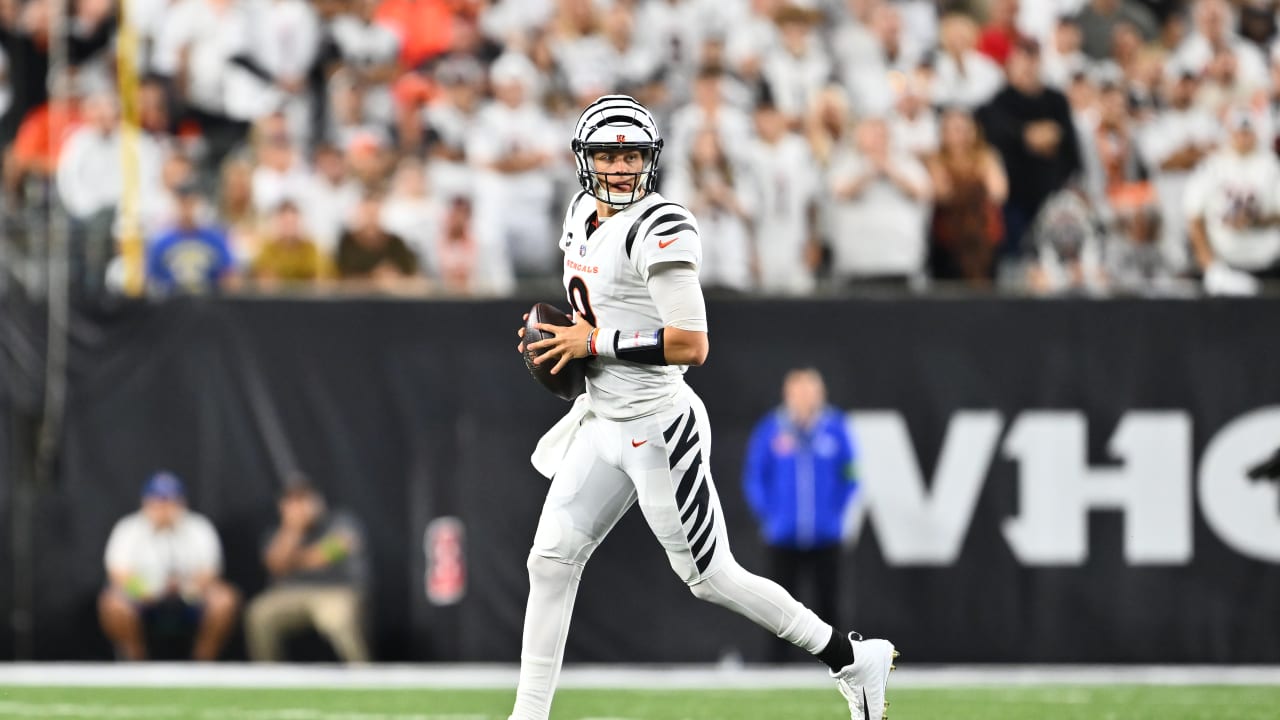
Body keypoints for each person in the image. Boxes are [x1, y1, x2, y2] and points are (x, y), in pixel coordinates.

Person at [513, 94, 896, 720]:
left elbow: (692, 343)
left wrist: (594, 341)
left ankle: (851, 659)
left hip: (656, 426)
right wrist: (567, 346)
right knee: (550, 560)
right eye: (607, 153)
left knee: (710, 576)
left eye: (631, 154)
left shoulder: (658, 225)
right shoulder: (581, 211)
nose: (618, 167)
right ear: (585, 160)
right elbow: (596, 312)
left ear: (650, 159)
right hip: (600, 419)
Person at [743, 368, 860, 663]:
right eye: (799, 392)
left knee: (829, 604)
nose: (805, 399)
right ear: (788, 395)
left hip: (826, 535)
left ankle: (838, 665)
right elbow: (755, 477)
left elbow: (851, 473)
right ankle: (776, 666)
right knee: (778, 607)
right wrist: (771, 515)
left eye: (811, 392)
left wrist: (836, 512)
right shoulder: (771, 430)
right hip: (783, 536)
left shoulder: (835, 429)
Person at [98, 472, 240, 661]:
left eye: (170, 501)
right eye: (158, 501)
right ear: (146, 502)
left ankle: (204, 663)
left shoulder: (199, 527)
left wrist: (187, 589)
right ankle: (133, 662)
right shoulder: (128, 528)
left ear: (182, 503)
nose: (163, 508)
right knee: (114, 602)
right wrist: (145, 590)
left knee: (224, 599)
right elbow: (118, 574)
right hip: (144, 597)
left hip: (189, 597)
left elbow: (210, 571)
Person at [245, 479, 370, 664]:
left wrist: (293, 561)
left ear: (317, 501)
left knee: (338, 618)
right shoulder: (277, 533)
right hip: (290, 594)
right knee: (258, 614)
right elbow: (275, 566)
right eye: (292, 502)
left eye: (303, 500)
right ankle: (269, 680)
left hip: (335, 591)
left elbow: (323, 556)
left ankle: (363, 676)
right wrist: (293, 530)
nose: (298, 508)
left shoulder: (341, 521)